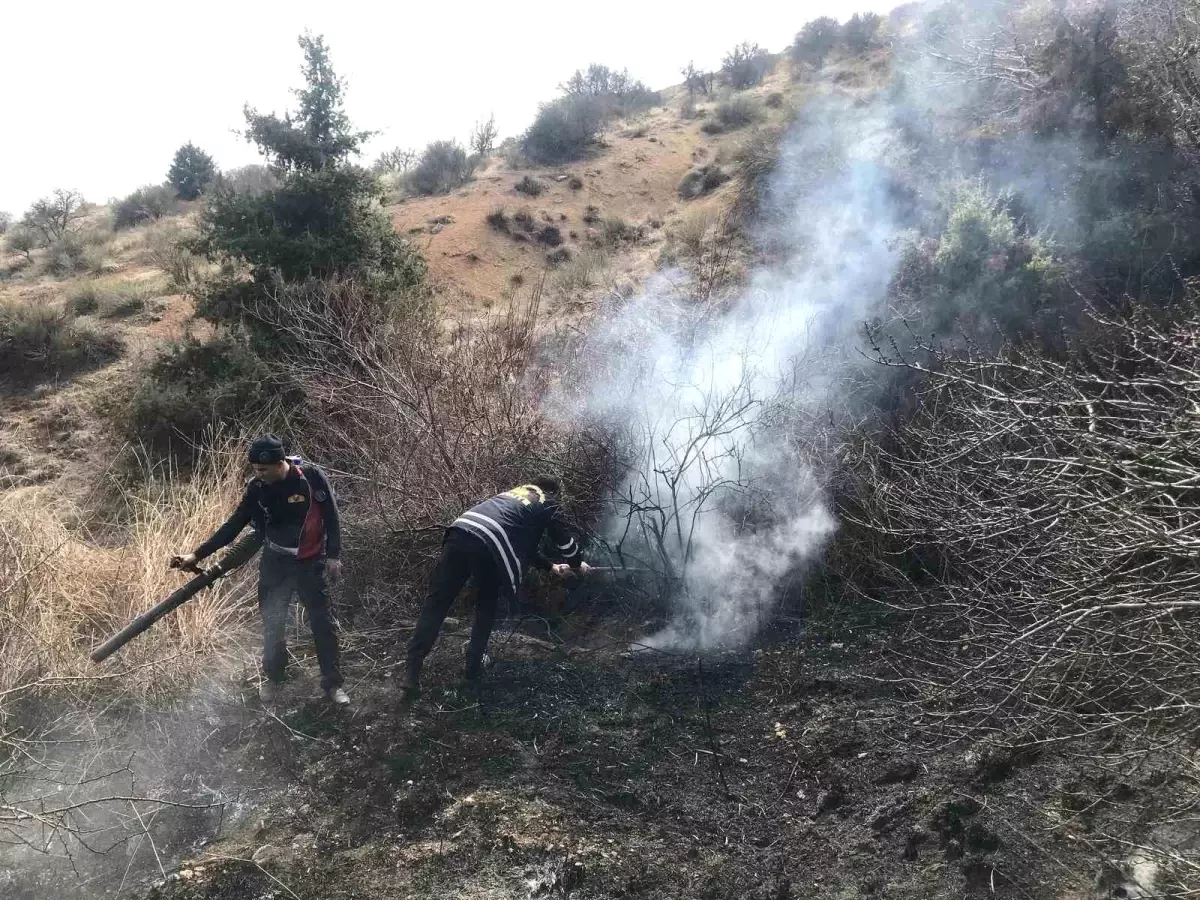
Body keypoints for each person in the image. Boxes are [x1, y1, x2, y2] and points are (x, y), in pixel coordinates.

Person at [172, 435, 349, 706]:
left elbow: (332, 517)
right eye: (256, 470)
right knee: (273, 624)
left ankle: (333, 685)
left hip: (310, 562)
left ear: (281, 464)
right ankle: (275, 679)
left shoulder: (311, 478)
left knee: (322, 624)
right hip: (275, 564)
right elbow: (234, 524)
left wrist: (334, 556)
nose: (259, 475)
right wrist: (197, 554)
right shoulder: (258, 489)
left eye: (264, 470)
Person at [405, 476, 590, 694]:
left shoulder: (512, 495)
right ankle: (473, 670)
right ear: (553, 493)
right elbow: (564, 541)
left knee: (437, 602)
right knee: (486, 605)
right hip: (489, 544)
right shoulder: (546, 501)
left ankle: (412, 671)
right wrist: (577, 564)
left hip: (459, 532)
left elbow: (523, 546)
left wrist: (550, 567)